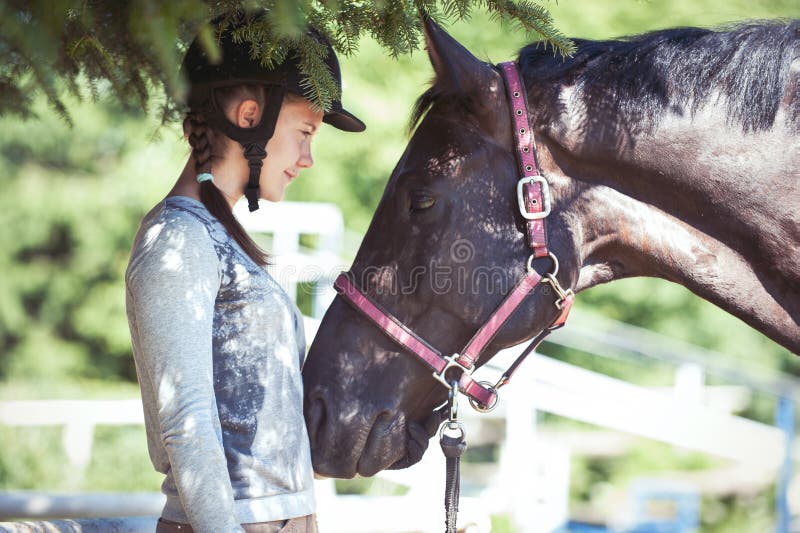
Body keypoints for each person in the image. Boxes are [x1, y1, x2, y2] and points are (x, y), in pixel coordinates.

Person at [125, 11, 364, 533]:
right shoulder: (178, 239)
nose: (308, 158)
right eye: (305, 132)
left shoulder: (221, 236)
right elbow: (185, 424)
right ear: (251, 115)